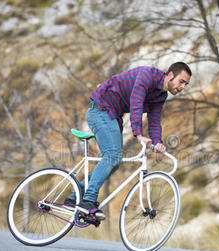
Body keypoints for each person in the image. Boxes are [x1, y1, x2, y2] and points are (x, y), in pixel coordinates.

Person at [65, 62, 192, 220]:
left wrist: (157, 142)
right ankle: (88, 201)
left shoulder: (161, 96)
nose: (183, 87)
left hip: (113, 116)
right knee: (112, 155)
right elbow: (136, 103)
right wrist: (139, 135)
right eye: (181, 81)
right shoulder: (148, 75)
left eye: (186, 84)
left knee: (114, 161)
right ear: (171, 75)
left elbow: (154, 121)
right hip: (100, 109)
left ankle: (74, 198)